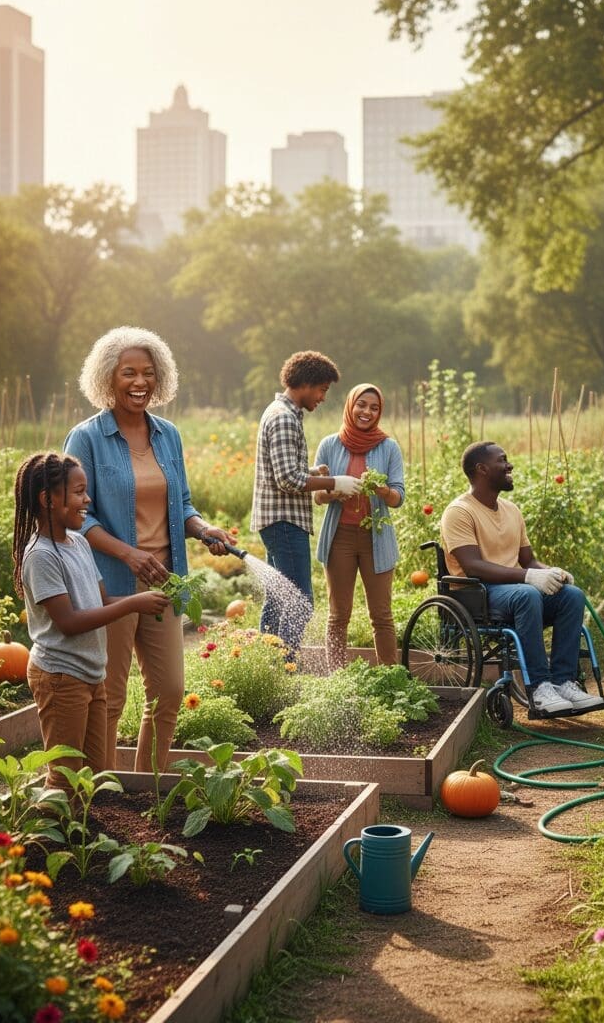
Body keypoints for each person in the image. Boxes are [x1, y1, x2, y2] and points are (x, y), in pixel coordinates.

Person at [64, 326, 234, 771]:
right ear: (108, 378)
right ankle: (97, 796)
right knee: (110, 695)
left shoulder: (168, 435)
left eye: (148, 373)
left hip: (165, 581)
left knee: (169, 691)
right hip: (112, 584)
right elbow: (79, 515)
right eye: (128, 373)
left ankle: (146, 789)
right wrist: (127, 553)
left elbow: (182, 502)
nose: (140, 382)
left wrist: (201, 527)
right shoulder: (86, 438)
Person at [12, 451, 171, 786]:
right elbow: (69, 622)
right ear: (48, 499)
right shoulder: (40, 556)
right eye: (79, 492)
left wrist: (141, 601)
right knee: (65, 779)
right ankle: (51, 837)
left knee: (97, 778)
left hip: (91, 674)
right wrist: (132, 605)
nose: (88, 499)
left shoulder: (80, 544)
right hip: (60, 677)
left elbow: (100, 601)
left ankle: (86, 836)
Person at [440, 441, 598, 715]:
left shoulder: (511, 510)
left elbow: (529, 561)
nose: (509, 465)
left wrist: (551, 571)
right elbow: (473, 566)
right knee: (528, 594)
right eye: (502, 460)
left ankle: (563, 681)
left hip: (514, 589)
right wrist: (529, 577)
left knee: (572, 596)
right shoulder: (459, 512)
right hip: (478, 594)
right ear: (482, 469)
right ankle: (538, 687)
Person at [250, 351, 363, 653]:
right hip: (285, 522)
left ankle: (267, 664)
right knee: (301, 601)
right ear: (306, 383)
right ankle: (285, 667)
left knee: (277, 598)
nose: (323, 397)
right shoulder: (284, 418)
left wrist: (312, 473)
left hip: (275, 520)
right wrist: (335, 483)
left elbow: (282, 471)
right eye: (323, 389)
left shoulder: (278, 411)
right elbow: (287, 479)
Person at [314, 384, 405, 670]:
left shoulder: (388, 447)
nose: (367, 411)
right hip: (339, 537)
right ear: (350, 406)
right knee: (338, 615)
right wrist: (335, 491)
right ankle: (337, 679)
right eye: (361, 405)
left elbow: (398, 497)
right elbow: (318, 496)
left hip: (375, 539)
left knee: (381, 615)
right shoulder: (330, 444)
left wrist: (380, 489)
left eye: (374, 408)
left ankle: (390, 679)